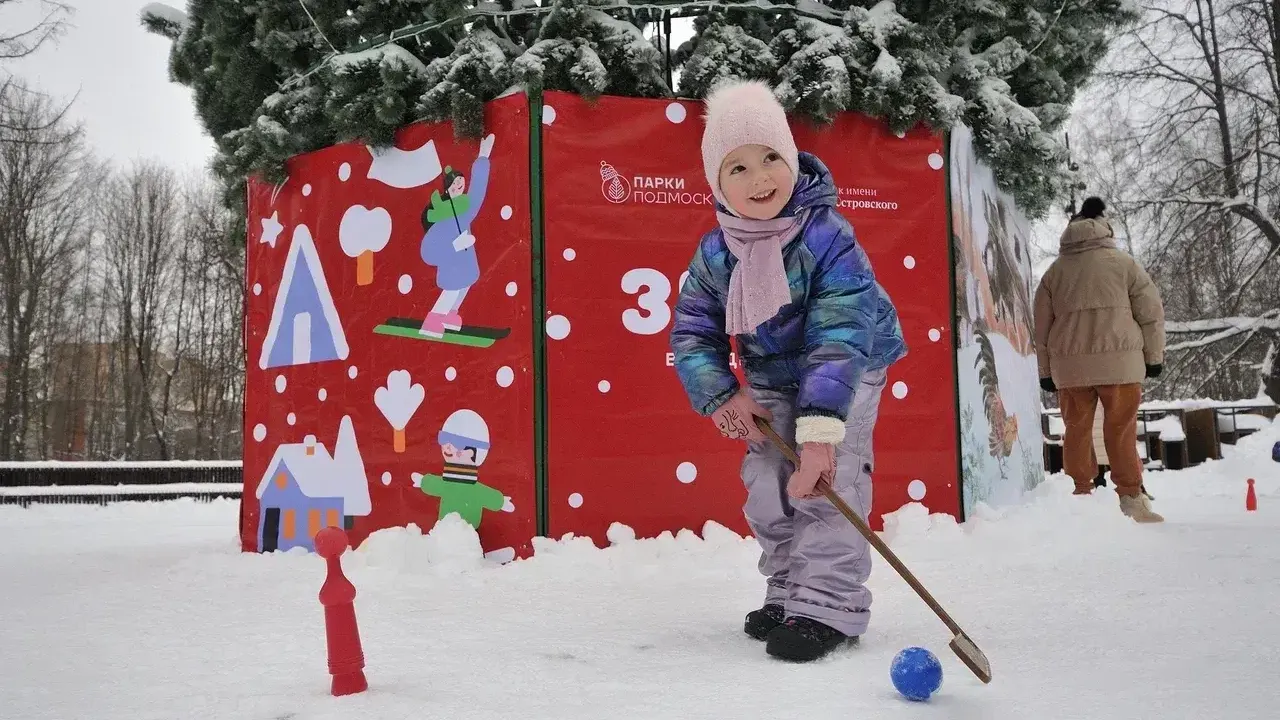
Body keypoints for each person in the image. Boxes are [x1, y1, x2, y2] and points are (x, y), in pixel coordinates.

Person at [669, 79, 907, 662]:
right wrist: (722, 396)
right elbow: (692, 332)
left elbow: (841, 334)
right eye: (739, 167)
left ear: (792, 158)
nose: (761, 179)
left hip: (846, 367)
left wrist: (821, 434)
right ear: (717, 183)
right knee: (770, 480)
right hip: (774, 372)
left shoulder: (828, 237)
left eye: (771, 157)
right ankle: (790, 589)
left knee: (824, 479)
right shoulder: (717, 252)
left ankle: (828, 604)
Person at [1034, 197, 1165, 523]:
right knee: (1121, 430)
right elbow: (1151, 314)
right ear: (1104, 229)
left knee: (1076, 430)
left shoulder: (1054, 273)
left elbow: (1041, 328)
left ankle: (1079, 495)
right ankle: (1132, 498)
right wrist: (1154, 357)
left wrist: (1045, 371)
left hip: (1071, 367)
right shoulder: (1124, 264)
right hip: (1121, 365)